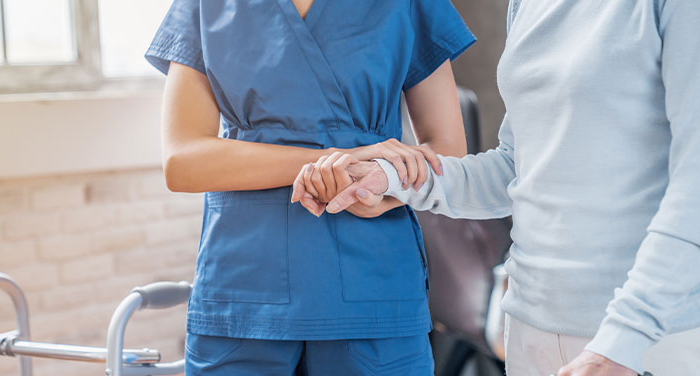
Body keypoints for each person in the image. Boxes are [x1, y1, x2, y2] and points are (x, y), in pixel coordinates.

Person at [292, 0, 700, 375]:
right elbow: (516, 167)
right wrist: (395, 178)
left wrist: (625, 339)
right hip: (532, 327)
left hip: (648, 338)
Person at [144, 0, 475, 374]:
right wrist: (336, 159)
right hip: (245, 290)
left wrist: (386, 182)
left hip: (372, 288)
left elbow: (447, 153)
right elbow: (183, 162)